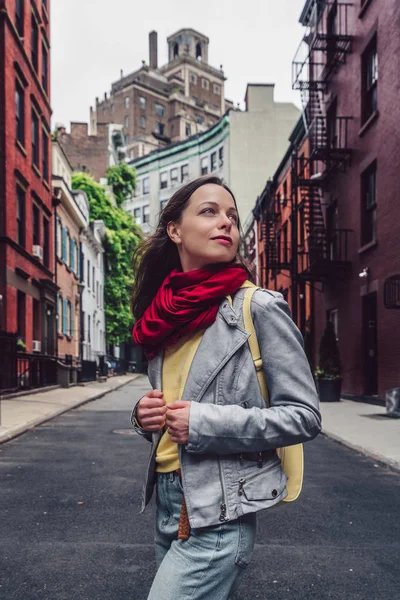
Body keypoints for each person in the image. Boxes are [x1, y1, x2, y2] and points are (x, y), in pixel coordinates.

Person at [130, 175, 321, 600]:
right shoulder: (164, 316)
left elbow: (305, 416)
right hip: (168, 499)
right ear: (175, 230)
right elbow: (174, 410)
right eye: (209, 211)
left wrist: (203, 422)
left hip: (219, 511)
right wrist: (144, 415)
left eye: (232, 216)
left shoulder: (258, 307)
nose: (226, 224)